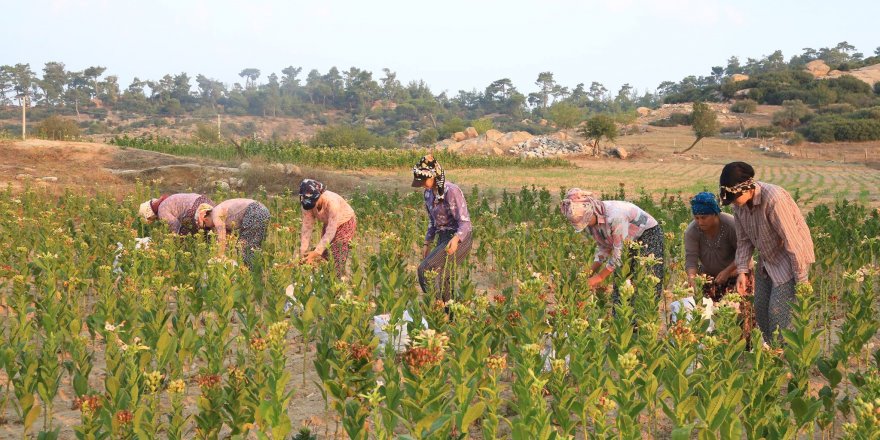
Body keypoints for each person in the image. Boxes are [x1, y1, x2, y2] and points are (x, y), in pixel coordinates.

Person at [720, 161, 815, 344]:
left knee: (778, 313)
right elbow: (744, 241)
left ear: (747, 188)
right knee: (761, 310)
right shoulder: (739, 206)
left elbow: (793, 242)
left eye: (733, 197)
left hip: (790, 259)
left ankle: (784, 359)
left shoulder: (774, 198)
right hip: (767, 259)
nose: (733, 204)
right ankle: (771, 353)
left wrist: (802, 282)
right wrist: (742, 271)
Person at [561, 188, 664, 301]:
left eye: (585, 221)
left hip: (646, 235)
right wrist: (590, 272)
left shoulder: (615, 217)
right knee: (621, 280)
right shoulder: (590, 224)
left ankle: (642, 315)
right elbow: (604, 246)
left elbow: (618, 253)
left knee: (645, 279)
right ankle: (620, 315)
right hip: (625, 241)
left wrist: (599, 277)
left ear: (592, 211)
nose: (585, 225)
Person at [413, 155, 473, 302]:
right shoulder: (427, 194)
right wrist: (427, 243)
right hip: (443, 237)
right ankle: (450, 316)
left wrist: (456, 239)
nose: (422, 184)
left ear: (434, 176)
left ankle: (435, 306)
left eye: (424, 180)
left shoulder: (451, 191)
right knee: (445, 279)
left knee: (425, 270)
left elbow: (465, 222)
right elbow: (432, 222)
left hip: (460, 237)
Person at [684, 192, 739, 299]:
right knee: (709, 311)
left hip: (736, 274)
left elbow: (743, 253)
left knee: (735, 310)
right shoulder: (692, 231)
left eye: (704, 217)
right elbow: (691, 259)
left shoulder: (731, 225)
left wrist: (728, 271)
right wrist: (692, 278)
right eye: (697, 218)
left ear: (715, 214)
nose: (700, 222)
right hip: (710, 276)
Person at [298, 179, 357, 276]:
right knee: (326, 254)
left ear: (320, 194)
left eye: (313, 202)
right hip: (329, 223)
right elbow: (306, 228)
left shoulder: (332, 203)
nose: (312, 205)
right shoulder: (307, 204)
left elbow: (331, 230)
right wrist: (303, 252)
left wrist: (316, 252)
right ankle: (325, 280)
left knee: (338, 251)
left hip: (345, 221)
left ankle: (337, 281)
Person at [194, 198, 270, 268]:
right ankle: (257, 273)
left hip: (254, 211)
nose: (208, 228)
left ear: (205, 219)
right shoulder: (220, 212)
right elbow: (227, 240)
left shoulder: (216, 214)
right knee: (253, 248)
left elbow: (221, 236)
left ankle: (250, 274)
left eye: (205, 227)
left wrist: (220, 256)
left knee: (244, 248)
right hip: (261, 210)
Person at [138, 193, 214, 235]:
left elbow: (175, 224)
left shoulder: (162, 211)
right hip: (204, 201)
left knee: (185, 235)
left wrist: (173, 236)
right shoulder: (167, 200)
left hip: (194, 210)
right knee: (214, 225)